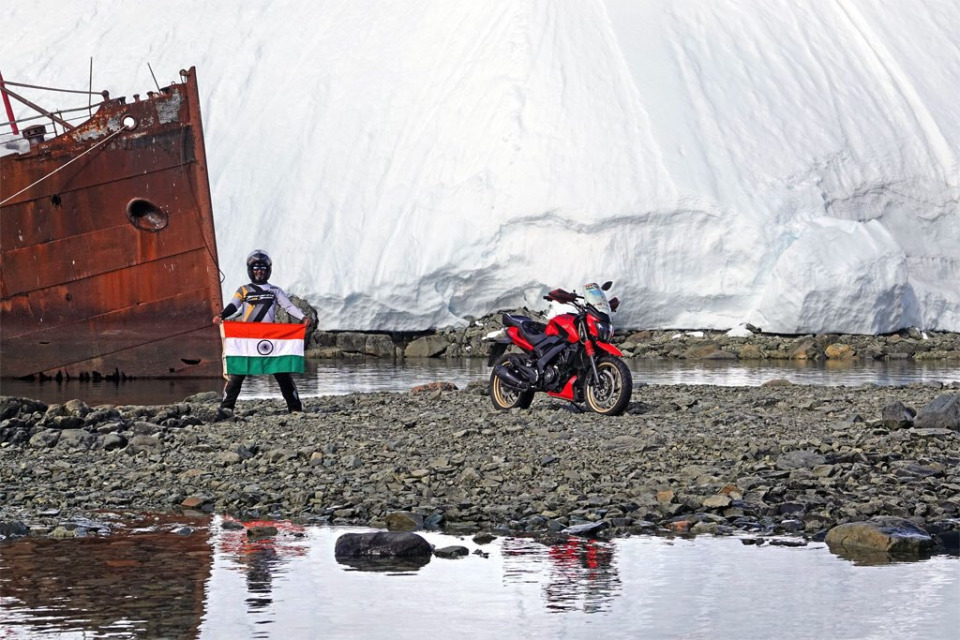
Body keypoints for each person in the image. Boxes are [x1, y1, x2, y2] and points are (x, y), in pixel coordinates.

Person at [213, 249, 310, 417]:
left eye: (262, 269)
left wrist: (303, 317)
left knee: (282, 372)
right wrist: (222, 315)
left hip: (269, 339)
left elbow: (288, 306)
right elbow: (234, 305)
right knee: (237, 373)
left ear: (268, 270)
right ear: (250, 270)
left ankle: (295, 408)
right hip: (247, 340)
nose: (259, 272)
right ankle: (226, 409)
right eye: (256, 268)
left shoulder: (275, 290)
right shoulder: (243, 290)